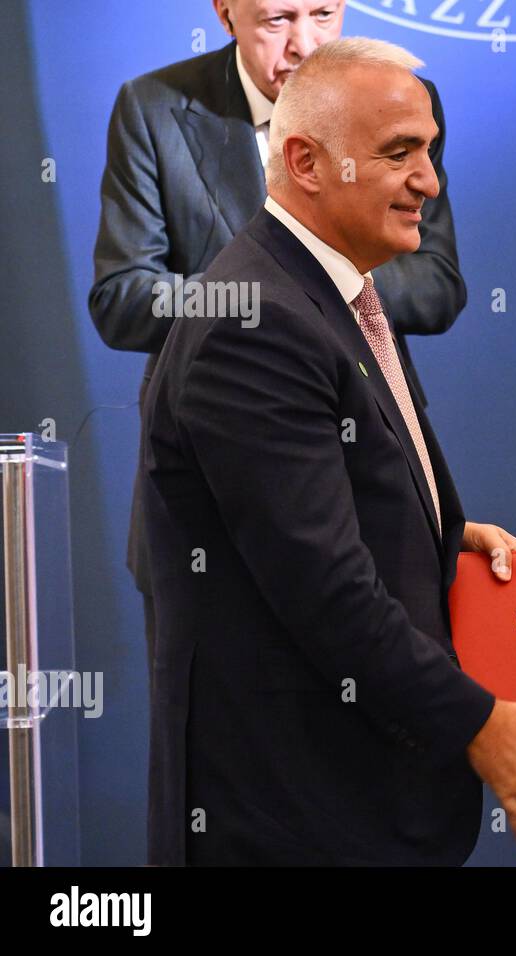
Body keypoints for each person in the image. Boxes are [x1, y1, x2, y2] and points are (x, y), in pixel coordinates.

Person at [141, 37, 516, 865]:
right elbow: (323, 587)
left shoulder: (331, 291)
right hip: (294, 818)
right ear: (307, 162)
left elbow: (308, 510)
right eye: (399, 153)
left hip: (355, 802)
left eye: (429, 149)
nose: (431, 179)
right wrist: (480, 721)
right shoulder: (257, 324)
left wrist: (438, 537)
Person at [90, 0, 466, 670]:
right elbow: (123, 298)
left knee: (393, 711)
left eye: (323, 14)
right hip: (209, 495)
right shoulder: (152, 107)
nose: (303, 43)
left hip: (377, 471)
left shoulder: (403, 100)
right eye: (276, 20)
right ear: (226, 12)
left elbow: (435, 283)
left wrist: (314, 280)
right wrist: (270, 291)